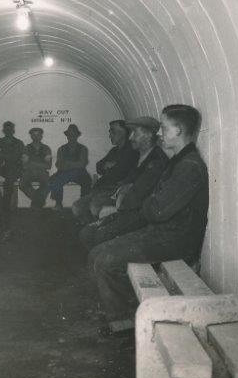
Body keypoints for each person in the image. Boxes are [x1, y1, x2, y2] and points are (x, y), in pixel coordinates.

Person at [88, 105, 209, 333]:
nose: (160, 134)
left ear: (179, 131)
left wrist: (147, 203)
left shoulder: (189, 166)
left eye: (164, 128)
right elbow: (155, 204)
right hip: (162, 233)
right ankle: (121, 313)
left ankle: (125, 323)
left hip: (176, 241)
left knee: (105, 260)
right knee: (97, 252)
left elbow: (157, 210)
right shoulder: (179, 161)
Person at [78, 116, 169, 250]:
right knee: (88, 232)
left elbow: (139, 194)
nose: (131, 137)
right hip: (125, 202)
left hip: (137, 212)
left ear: (148, 135)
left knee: (91, 234)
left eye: (135, 133)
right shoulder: (140, 155)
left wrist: (120, 197)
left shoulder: (156, 160)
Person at [72, 120, 138, 224]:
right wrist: (108, 165)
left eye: (113, 132)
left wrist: (113, 165)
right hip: (101, 189)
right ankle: (90, 227)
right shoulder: (114, 151)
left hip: (115, 190)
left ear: (124, 132)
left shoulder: (132, 150)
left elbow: (120, 173)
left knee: (94, 205)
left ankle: (95, 229)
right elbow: (99, 166)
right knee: (77, 206)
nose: (110, 135)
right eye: (110, 132)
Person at [48, 124, 91, 210]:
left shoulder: (83, 149)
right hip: (64, 172)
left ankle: (83, 204)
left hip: (79, 173)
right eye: (69, 135)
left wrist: (67, 164)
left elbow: (82, 164)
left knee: (87, 180)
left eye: (73, 135)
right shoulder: (61, 149)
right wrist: (74, 164)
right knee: (54, 178)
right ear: (67, 136)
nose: (71, 137)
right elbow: (59, 165)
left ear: (77, 136)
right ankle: (58, 203)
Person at [0, 121, 24, 210]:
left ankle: (6, 202)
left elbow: (15, 158)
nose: (8, 131)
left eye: (10, 129)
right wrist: (0, 158)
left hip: (15, 169)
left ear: (13, 131)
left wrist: (3, 157)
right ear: (3, 131)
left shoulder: (18, 143)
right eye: (6, 129)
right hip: (3, 168)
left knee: (10, 174)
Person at [19, 127, 52, 208]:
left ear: (41, 136)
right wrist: (40, 164)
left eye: (38, 135)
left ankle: (36, 202)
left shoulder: (46, 148)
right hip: (29, 172)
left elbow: (48, 166)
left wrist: (32, 163)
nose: (36, 137)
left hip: (42, 173)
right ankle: (39, 200)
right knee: (22, 184)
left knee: (49, 184)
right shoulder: (26, 148)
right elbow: (24, 165)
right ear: (31, 136)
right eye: (34, 135)